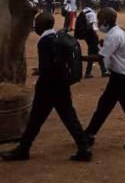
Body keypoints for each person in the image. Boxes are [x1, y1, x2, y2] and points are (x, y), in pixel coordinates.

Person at [0, 12, 92, 162]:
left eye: (37, 23)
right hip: (61, 84)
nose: (35, 26)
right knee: (68, 117)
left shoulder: (44, 41)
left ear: (41, 26)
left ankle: (23, 150)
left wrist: (41, 74)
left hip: (48, 87)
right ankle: (84, 147)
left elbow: (47, 67)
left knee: (36, 119)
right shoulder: (57, 37)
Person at [84, 7, 125, 149]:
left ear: (106, 21)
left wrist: (78, 57)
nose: (99, 23)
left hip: (121, 76)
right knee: (107, 105)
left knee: (117, 107)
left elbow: (100, 57)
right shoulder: (118, 31)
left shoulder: (114, 35)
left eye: (100, 20)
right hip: (121, 75)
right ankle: (89, 133)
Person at [79, 4, 108, 78]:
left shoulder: (85, 12)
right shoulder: (92, 14)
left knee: (96, 52)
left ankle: (103, 70)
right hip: (91, 36)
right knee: (95, 53)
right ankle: (92, 71)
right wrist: (95, 35)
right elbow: (91, 25)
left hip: (87, 35)